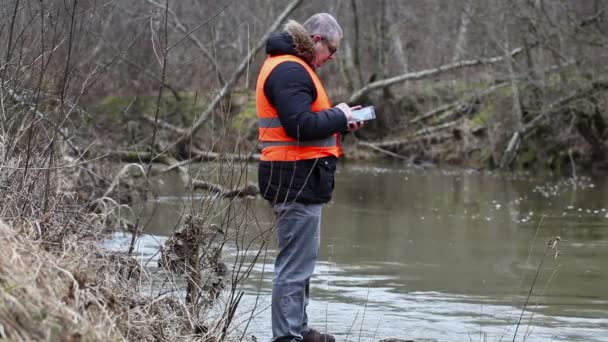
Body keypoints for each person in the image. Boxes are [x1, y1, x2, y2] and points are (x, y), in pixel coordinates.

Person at [255, 13, 364, 342]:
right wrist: (339, 115)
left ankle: (298, 330)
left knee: (300, 265)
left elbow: (308, 122)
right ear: (316, 40)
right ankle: (287, 337)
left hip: (299, 177)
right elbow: (298, 125)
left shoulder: (292, 67)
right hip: (294, 178)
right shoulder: (290, 69)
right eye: (331, 50)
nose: (331, 58)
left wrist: (341, 120)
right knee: (293, 268)